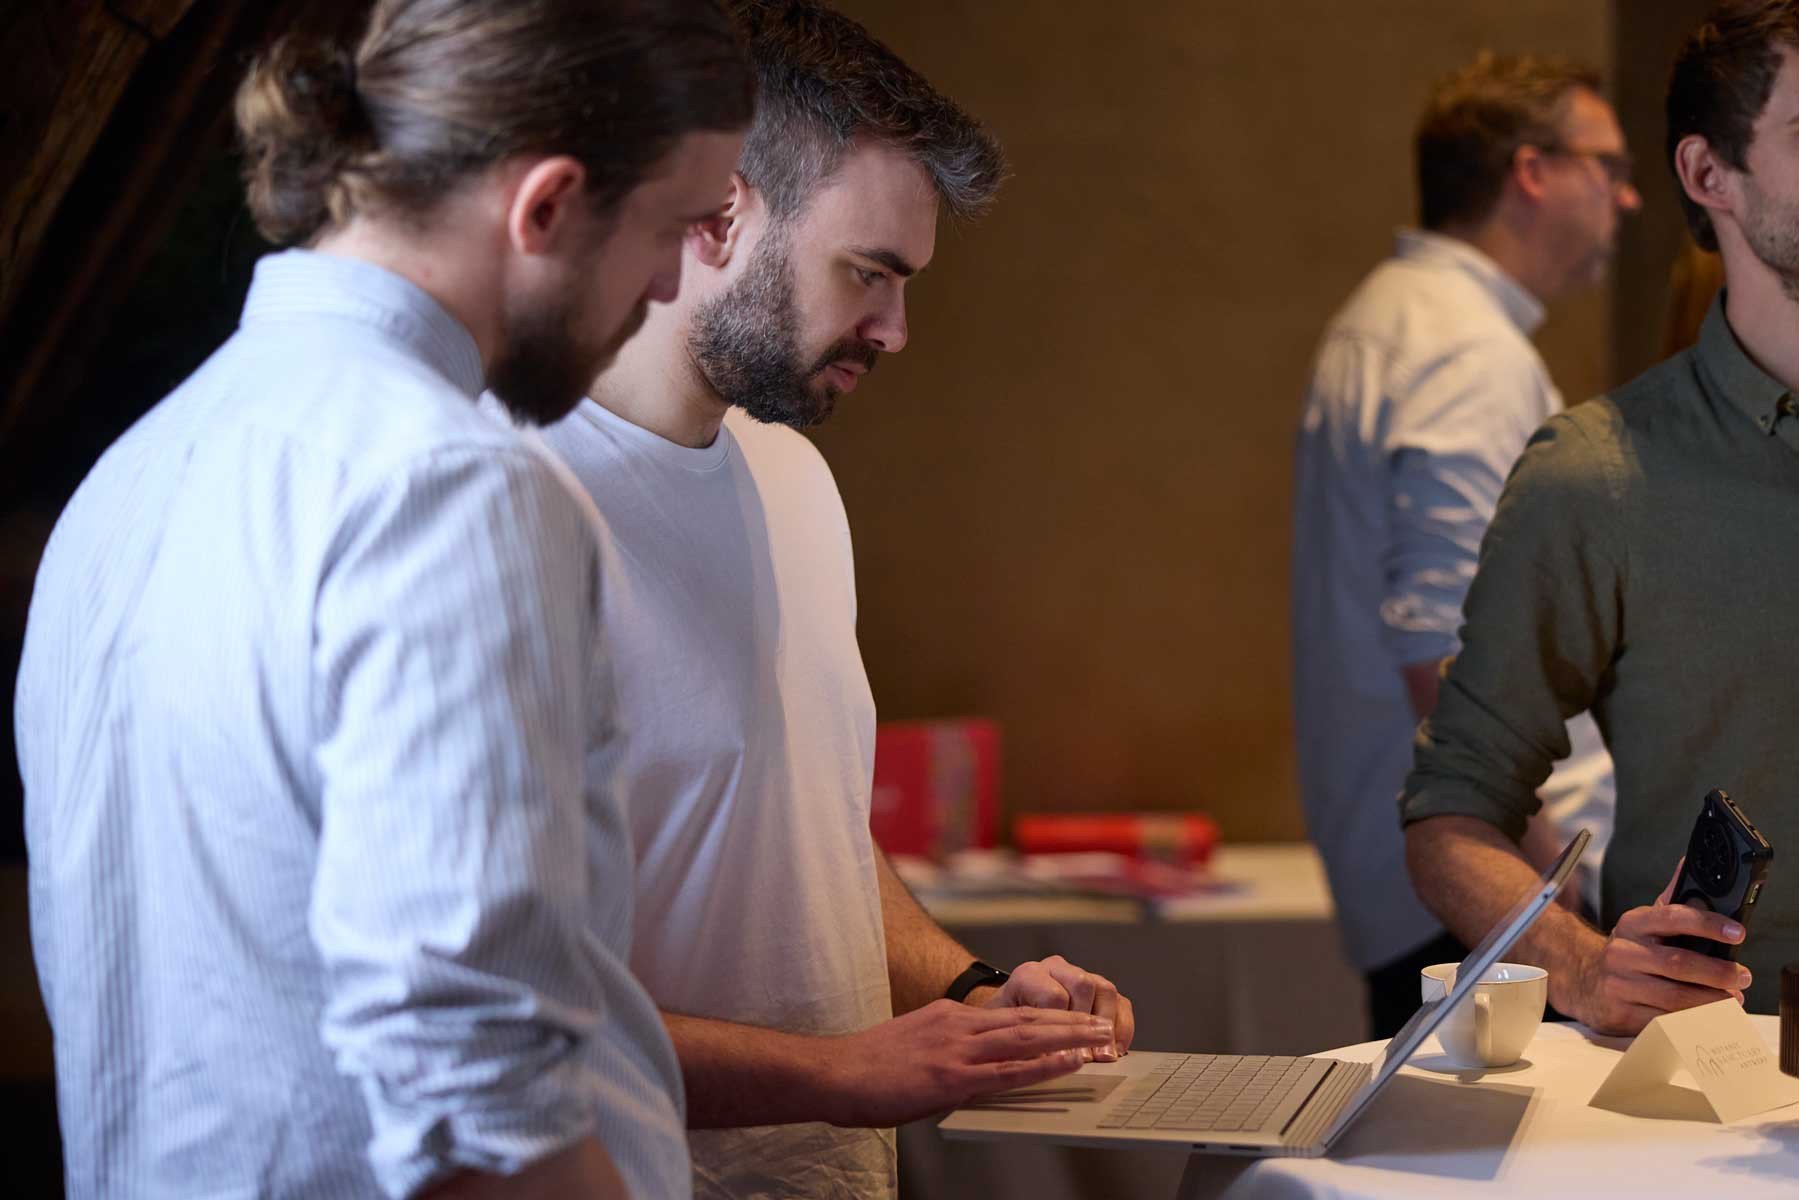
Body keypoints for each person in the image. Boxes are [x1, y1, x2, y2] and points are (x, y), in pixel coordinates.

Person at [13, 2, 754, 1196]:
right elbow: (476, 1095)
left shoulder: (137, 467)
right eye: (674, 227)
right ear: (548, 204)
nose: (671, 281)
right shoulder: (454, 485)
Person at [520, 2, 1128, 1195]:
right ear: (719, 212)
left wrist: (971, 994)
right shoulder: (509, 507)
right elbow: (517, 1010)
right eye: (868, 273)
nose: (896, 332)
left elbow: (814, 835)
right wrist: (845, 1072)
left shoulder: (791, 474)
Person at [1403, 0, 1799, 1036]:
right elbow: (1451, 814)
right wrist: (1578, 968)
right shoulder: (1595, 478)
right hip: (1722, 1084)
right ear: (1708, 175)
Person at [1290, 51, 1638, 1039]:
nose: (1629, 197)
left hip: (1442, 877)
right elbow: (1443, 661)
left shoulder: (1393, 318)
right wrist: (1567, 894)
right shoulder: (1462, 350)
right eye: (1605, 167)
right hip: (1484, 888)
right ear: (1529, 171)